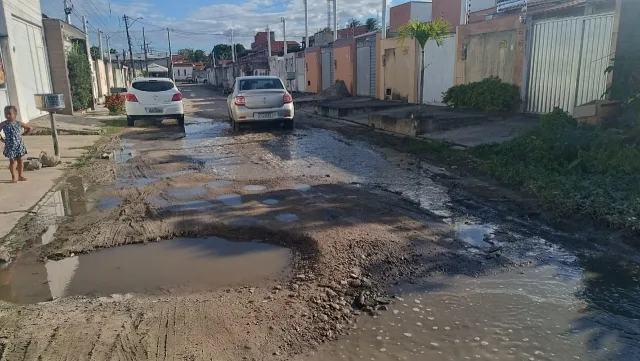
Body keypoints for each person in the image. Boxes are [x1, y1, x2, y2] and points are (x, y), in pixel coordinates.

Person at [0, 105, 32, 183]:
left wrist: (23, 134)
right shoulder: (3, 124)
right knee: (12, 161)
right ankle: (14, 176)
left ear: (15, 114)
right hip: (10, 146)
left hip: (19, 145)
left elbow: (30, 128)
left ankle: (20, 176)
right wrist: (1, 139)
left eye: (9, 113)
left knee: (20, 160)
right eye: (6, 114)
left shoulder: (18, 123)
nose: (7, 115)